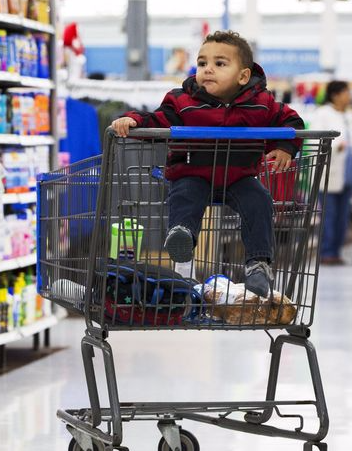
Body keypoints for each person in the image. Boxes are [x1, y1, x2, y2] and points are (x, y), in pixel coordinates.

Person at [111, 30, 304, 297]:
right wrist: (133, 120)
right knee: (185, 194)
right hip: (193, 171)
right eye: (202, 63)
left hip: (239, 176)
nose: (208, 70)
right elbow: (158, 119)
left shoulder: (261, 104)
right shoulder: (182, 100)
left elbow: (291, 121)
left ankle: (258, 264)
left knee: (259, 200)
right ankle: (182, 236)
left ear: (243, 76)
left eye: (220, 64)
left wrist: (285, 147)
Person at [309, 80, 352, 265]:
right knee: (329, 215)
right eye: (346, 92)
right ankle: (327, 252)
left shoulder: (348, 115)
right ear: (335, 94)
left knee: (342, 217)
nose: (348, 96)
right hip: (328, 173)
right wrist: (336, 146)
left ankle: (336, 251)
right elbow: (314, 142)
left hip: (346, 173)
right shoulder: (323, 114)